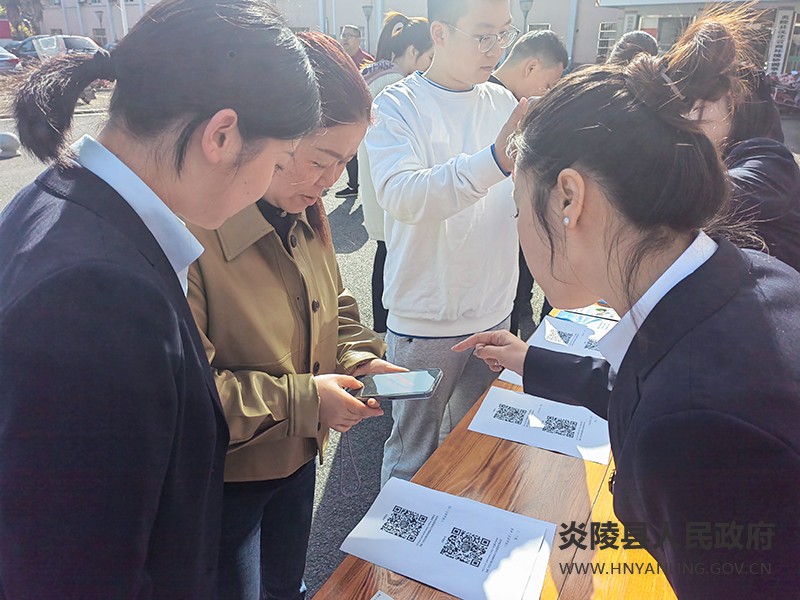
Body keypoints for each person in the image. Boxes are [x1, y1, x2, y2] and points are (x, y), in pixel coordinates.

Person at [453, 10, 800, 598]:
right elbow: (649, 380)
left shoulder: (692, 428)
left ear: (569, 198)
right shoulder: (745, 279)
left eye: (518, 206)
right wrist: (530, 361)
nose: (518, 227)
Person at [0, 1, 320, 597]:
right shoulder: (100, 295)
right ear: (221, 135)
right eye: (279, 162)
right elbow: (79, 573)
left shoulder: (59, 200)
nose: (271, 184)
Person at [187, 31, 400, 600]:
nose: (330, 181)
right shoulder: (193, 236)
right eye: (319, 161)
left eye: (345, 164)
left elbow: (335, 305)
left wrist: (360, 359)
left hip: (299, 456)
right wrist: (307, 400)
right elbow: (189, 393)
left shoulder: (301, 210)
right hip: (230, 479)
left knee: (285, 582)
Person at [367, 0, 528, 486]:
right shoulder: (396, 104)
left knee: (478, 446)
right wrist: (494, 160)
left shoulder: (502, 101)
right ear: (439, 33)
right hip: (424, 321)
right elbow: (402, 195)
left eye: (504, 34)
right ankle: (393, 538)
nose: (496, 49)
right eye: (483, 35)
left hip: (493, 311)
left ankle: (460, 528)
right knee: (411, 453)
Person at [489, 29, 568, 336]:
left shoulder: (515, 103)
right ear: (531, 67)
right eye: (548, 85)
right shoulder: (487, 102)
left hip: (513, 232)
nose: (548, 94)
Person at [681, 67, 800, 271]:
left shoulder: (770, 157)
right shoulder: (720, 159)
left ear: (735, 103)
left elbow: (722, 192)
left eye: (700, 105)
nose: (689, 117)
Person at [359, 11, 434, 332]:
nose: (430, 66)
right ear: (413, 52)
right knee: (393, 258)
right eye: (429, 57)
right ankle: (386, 328)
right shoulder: (397, 86)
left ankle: (381, 327)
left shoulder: (374, 75)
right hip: (391, 184)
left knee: (385, 253)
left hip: (376, 180)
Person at [334, 24, 376, 199]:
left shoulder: (368, 61)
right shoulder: (338, 58)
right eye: (343, 35)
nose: (345, 39)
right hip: (343, 111)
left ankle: (370, 188)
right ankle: (353, 186)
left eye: (349, 36)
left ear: (359, 40)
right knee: (348, 151)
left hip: (362, 113)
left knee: (365, 153)